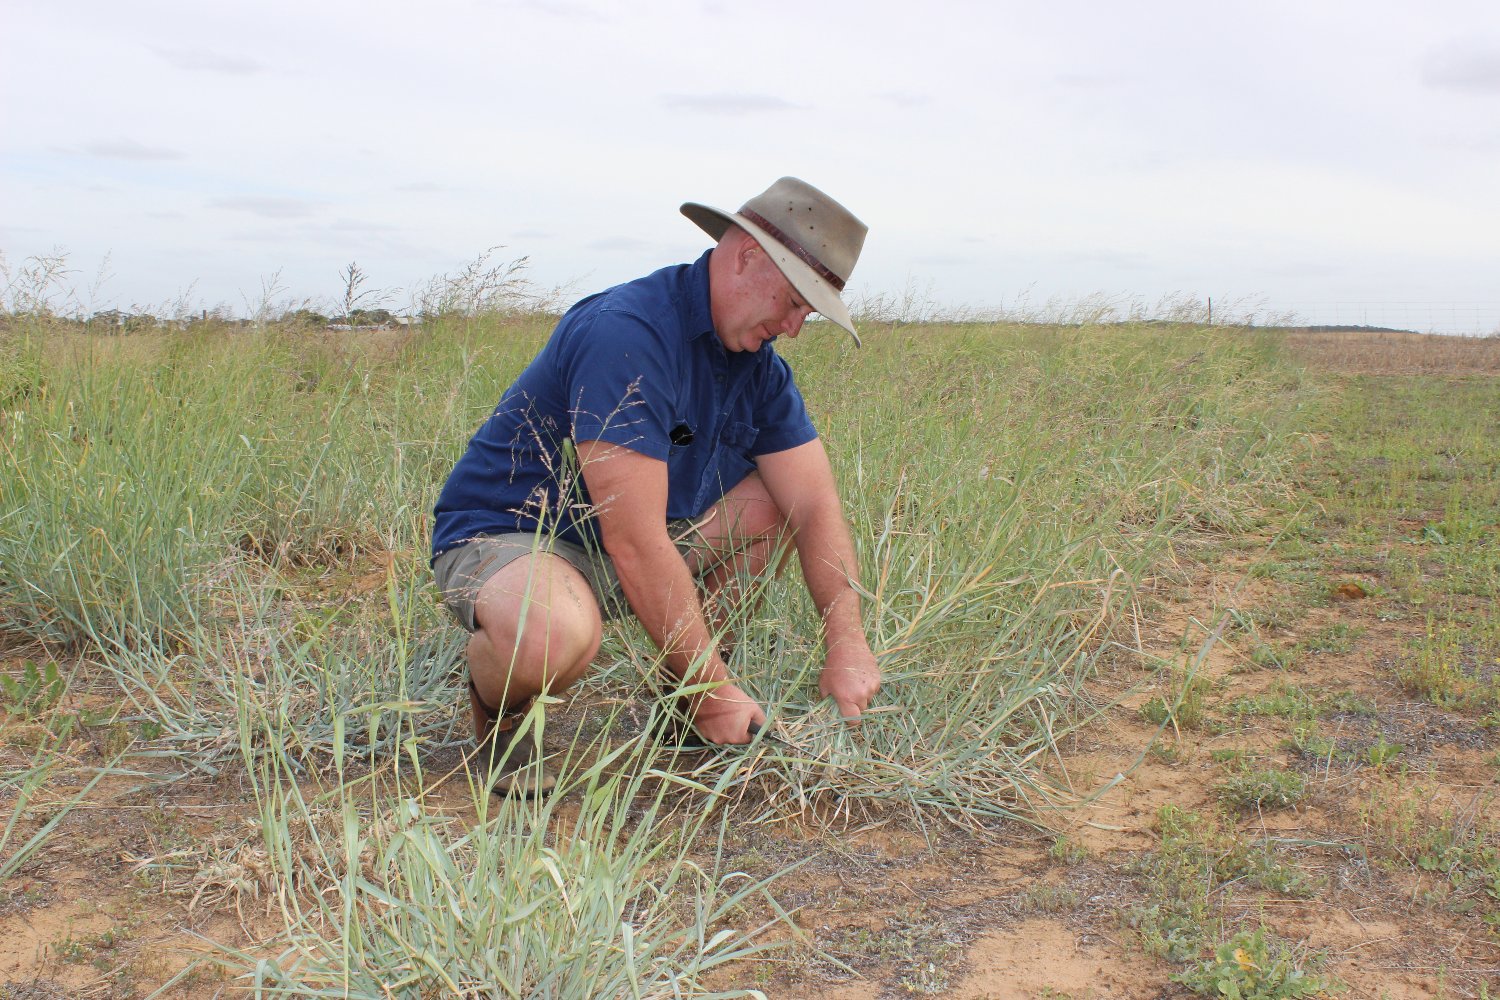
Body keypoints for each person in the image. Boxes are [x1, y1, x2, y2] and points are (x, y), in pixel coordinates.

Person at [431, 177, 881, 796]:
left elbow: (815, 506)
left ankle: (682, 710)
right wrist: (714, 688)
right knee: (554, 635)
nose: (795, 326)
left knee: (774, 506)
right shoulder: (626, 332)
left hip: (629, 546)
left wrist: (848, 643)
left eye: (808, 312)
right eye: (795, 301)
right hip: (514, 536)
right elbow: (635, 541)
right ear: (747, 257)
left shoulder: (762, 370)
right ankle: (502, 717)